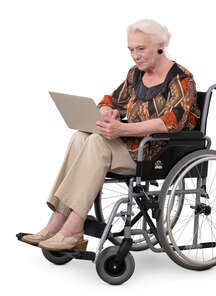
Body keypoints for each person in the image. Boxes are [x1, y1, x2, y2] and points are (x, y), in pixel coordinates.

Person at [22, 19, 200, 251]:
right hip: (130, 146)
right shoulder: (136, 75)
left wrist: (123, 129)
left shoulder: (181, 79)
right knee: (80, 136)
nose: (135, 55)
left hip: (156, 153)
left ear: (160, 45)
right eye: (131, 50)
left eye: (141, 49)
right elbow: (112, 100)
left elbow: (171, 123)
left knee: (97, 141)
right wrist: (107, 110)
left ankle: (74, 228)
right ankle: (56, 222)